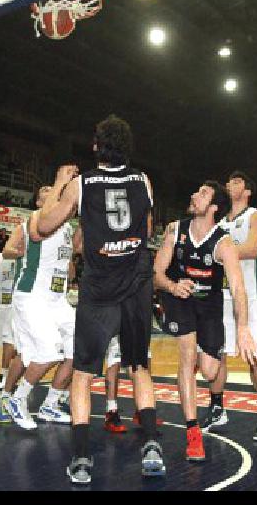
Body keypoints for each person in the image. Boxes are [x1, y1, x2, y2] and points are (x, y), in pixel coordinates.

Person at [36, 114, 164, 484]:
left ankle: (80, 459)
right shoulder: (144, 181)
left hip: (99, 287)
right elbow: (147, 228)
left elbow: (44, 226)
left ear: (97, 146)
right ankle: (151, 447)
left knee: (82, 373)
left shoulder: (82, 183)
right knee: (139, 366)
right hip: (136, 283)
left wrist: (60, 184)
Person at [153, 181, 254, 460]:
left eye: (202, 193)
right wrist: (173, 287)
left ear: (213, 208)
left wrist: (243, 328)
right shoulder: (175, 230)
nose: (193, 195)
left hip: (209, 307)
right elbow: (157, 273)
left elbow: (238, 288)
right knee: (186, 358)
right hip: (180, 299)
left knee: (209, 372)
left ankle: (205, 354)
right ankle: (192, 432)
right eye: (196, 190)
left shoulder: (224, 244)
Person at [0, 186, 80, 430]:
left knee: (77, 350)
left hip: (57, 298)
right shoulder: (35, 219)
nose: (50, 190)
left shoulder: (66, 228)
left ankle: (50, 404)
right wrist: (17, 252)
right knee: (43, 352)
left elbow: (69, 259)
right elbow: (10, 249)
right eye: (45, 190)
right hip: (32, 295)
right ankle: (14, 398)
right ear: (41, 199)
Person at [201, 171, 257, 442]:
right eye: (228, 181)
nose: (230, 185)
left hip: (255, 294)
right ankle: (217, 407)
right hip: (226, 294)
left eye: (236, 182)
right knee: (217, 351)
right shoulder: (220, 222)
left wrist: (215, 252)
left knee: (254, 355)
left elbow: (253, 249)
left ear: (248, 191)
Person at [0, 246, 19, 394]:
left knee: (9, 341)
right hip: (3, 303)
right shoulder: (2, 256)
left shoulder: (24, 256)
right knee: (9, 343)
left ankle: (4, 374)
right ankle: (12, 373)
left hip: (16, 304)